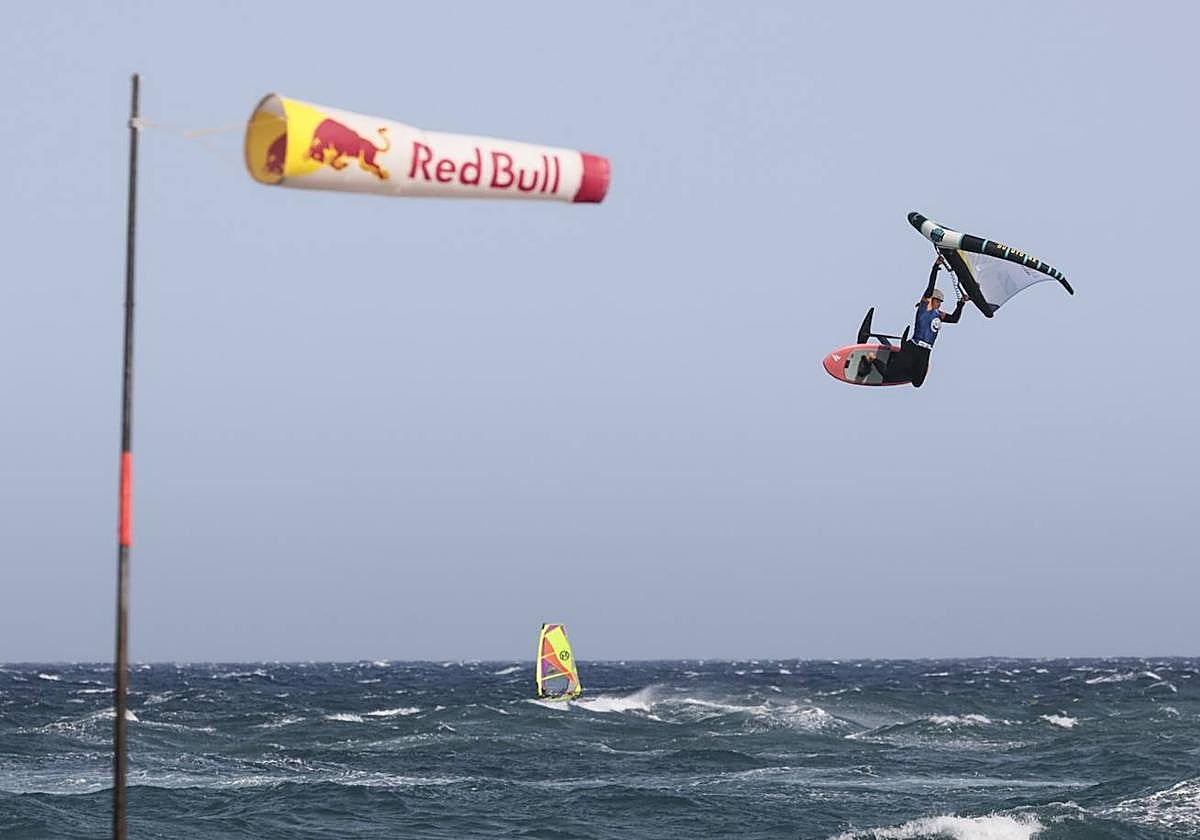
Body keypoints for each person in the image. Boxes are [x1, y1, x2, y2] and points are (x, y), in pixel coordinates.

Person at [858, 255, 966, 387]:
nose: (938, 303)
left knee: (917, 383)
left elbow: (955, 319)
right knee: (888, 375)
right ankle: (872, 358)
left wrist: (961, 304)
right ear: (931, 299)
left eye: (940, 302)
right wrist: (936, 267)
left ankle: (895, 360)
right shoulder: (924, 308)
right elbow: (930, 287)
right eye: (936, 300)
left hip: (926, 352)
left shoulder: (939, 315)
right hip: (913, 347)